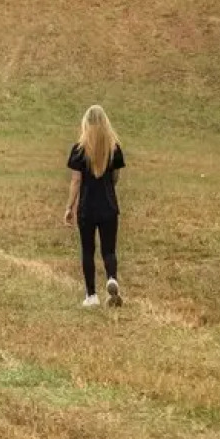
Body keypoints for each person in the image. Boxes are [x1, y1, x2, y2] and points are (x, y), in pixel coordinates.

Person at [63, 104, 126, 308]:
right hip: (108, 205)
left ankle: (91, 295)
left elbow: (76, 181)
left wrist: (69, 207)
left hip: (87, 207)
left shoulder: (79, 150)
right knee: (109, 250)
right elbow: (115, 177)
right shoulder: (114, 148)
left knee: (88, 250)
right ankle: (111, 278)